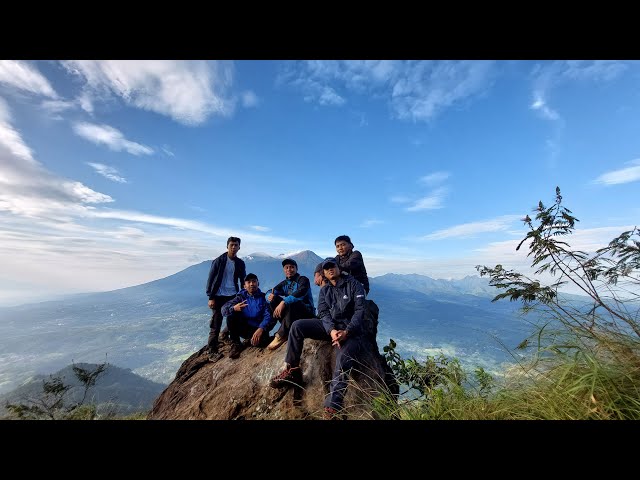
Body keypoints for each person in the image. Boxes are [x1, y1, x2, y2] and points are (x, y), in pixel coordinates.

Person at [269, 257, 374, 419]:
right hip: (331, 328)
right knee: (297, 326)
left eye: (333, 266)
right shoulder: (325, 290)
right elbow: (324, 313)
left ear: (339, 268)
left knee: (342, 359)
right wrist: (331, 330)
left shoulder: (354, 285)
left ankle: (333, 406)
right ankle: (292, 369)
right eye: (327, 268)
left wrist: (347, 331)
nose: (330, 269)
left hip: (351, 331)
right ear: (324, 273)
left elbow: (359, 311)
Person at [204, 236, 246, 362]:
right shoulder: (219, 261)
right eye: (231, 245)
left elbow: (243, 279)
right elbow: (211, 279)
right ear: (227, 246)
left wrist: (244, 293)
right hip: (218, 296)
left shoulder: (239, 263)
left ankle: (232, 341)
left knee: (234, 319)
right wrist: (210, 297)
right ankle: (211, 351)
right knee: (216, 323)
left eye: (236, 245)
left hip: (232, 295)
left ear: (239, 247)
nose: (234, 247)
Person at [265, 258, 315, 351]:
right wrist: (269, 296)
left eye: (292, 267)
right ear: (284, 270)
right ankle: (287, 330)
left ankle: (281, 334)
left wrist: (284, 302)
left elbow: (301, 292)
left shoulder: (303, 280)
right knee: (273, 299)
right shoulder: (285, 283)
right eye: (286, 267)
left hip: (307, 314)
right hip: (292, 315)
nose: (289, 269)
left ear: (296, 269)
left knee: (293, 302)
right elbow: (271, 291)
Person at [221, 273, 274, 359]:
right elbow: (223, 309)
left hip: (258, 329)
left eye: (254, 281)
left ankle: (253, 340)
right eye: (248, 282)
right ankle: (236, 344)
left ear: (258, 283)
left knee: (260, 344)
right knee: (231, 314)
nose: (252, 284)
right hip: (244, 328)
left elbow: (268, 315)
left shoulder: (264, 297)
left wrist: (261, 328)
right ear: (244, 286)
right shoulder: (240, 297)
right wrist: (234, 308)